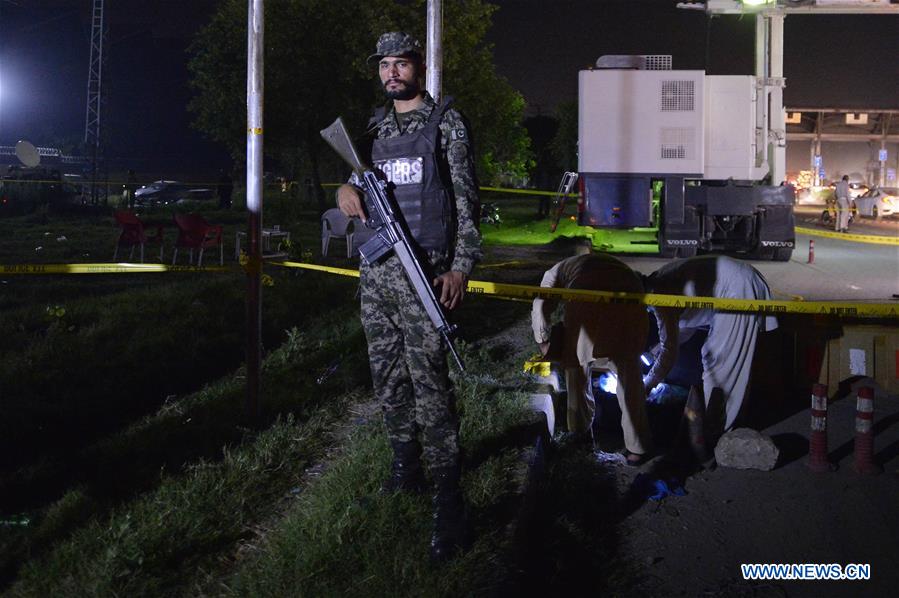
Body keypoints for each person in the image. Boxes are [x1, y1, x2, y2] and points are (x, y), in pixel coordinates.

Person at [335, 31, 482, 562]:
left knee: (431, 390)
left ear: (418, 68)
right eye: (385, 65)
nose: (392, 72)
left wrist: (461, 267)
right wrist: (344, 190)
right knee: (388, 380)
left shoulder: (446, 123)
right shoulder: (374, 126)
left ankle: (449, 500)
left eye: (402, 64)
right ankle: (406, 470)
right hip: (377, 279)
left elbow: (466, 202)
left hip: (428, 274)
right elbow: (355, 183)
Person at [531, 248, 654, 464]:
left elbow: (540, 304)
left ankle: (581, 437)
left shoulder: (554, 272)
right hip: (631, 295)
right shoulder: (606, 263)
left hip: (585, 295)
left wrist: (542, 341)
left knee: (576, 371)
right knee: (630, 376)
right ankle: (637, 449)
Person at [642, 256, 779, 440]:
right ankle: (722, 425)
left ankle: (720, 433)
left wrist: (648, 384)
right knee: (724, 361)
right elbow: (685, 325)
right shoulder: (660, 281)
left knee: (719, 362)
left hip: (737, 290)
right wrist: (658, 348)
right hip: (736, 282)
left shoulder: (659, 295)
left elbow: (670, 351)